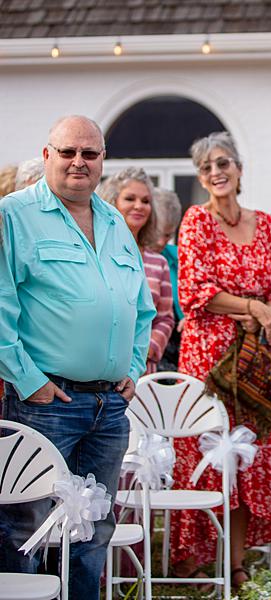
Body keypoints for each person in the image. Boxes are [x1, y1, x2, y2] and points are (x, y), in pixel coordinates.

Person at [0, 115, 155, 600]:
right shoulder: (14, 215)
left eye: (89, 154)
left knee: (93, 528)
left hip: (108, 408)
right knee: (28, 524)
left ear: (101, 161)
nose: (78, 162)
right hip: (46, 402)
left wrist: (132, 367)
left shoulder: (112, 220)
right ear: (47, 156)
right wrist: (28, 380)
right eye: (67, 152)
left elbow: (141, 306)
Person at [172, 131, 271, 588]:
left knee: (251, 454)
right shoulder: (195, 221)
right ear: (201, 178)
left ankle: (237, 561)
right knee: (208, 457)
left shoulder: (264, 223)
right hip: (209, 357)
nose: (216, 173)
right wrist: (251, 307)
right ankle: (193, 558)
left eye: (223, 163)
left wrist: (264, 313)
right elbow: (194, 293)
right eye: (206, 168)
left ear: (239, 169)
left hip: (257, 357)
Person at [99, 168, 175, 374]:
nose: (139, 206)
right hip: (100, 370)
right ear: (112, 203)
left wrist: (147, 348)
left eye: (146, 201)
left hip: (142, 373)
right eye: (130, 198)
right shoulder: (96, 256)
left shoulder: (158, 263)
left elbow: (165, 318)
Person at [148, 187, 184, 372]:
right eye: (158, 232)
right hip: (151, 343)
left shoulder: (178, 256)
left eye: (168, 235)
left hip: (179, 338)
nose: (162, 241)